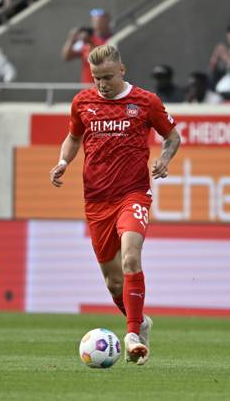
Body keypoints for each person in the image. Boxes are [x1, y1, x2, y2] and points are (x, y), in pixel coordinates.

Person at [50, 45, 181, 365]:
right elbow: (74, 137)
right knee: (113, 281)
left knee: (131, 257)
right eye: (96, 78)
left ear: (122, 70)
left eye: (107, 77)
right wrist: (64, 161)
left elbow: (173, 136)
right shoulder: (83, 102)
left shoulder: (146, 101)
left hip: (133, 194)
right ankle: (141, 319)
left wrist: (164, 159)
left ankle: (133, 334)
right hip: (96, 200)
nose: (102, 84)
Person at [61, 8, 112, 83]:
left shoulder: (112, 39)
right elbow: (66, 56)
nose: (98, 23)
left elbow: (102, 59)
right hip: (88, 87)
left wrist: (91, 42)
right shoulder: (85, 41)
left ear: (107, 21)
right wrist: (71, 38)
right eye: (95, 20)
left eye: (101, 20)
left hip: (106, 88)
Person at [208, 24, 230, 89]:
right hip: (222, 88)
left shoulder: (226, 55)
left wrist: (227, 59)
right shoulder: (225, 51)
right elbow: (211, 73)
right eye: (228, 36)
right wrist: (215, 57)